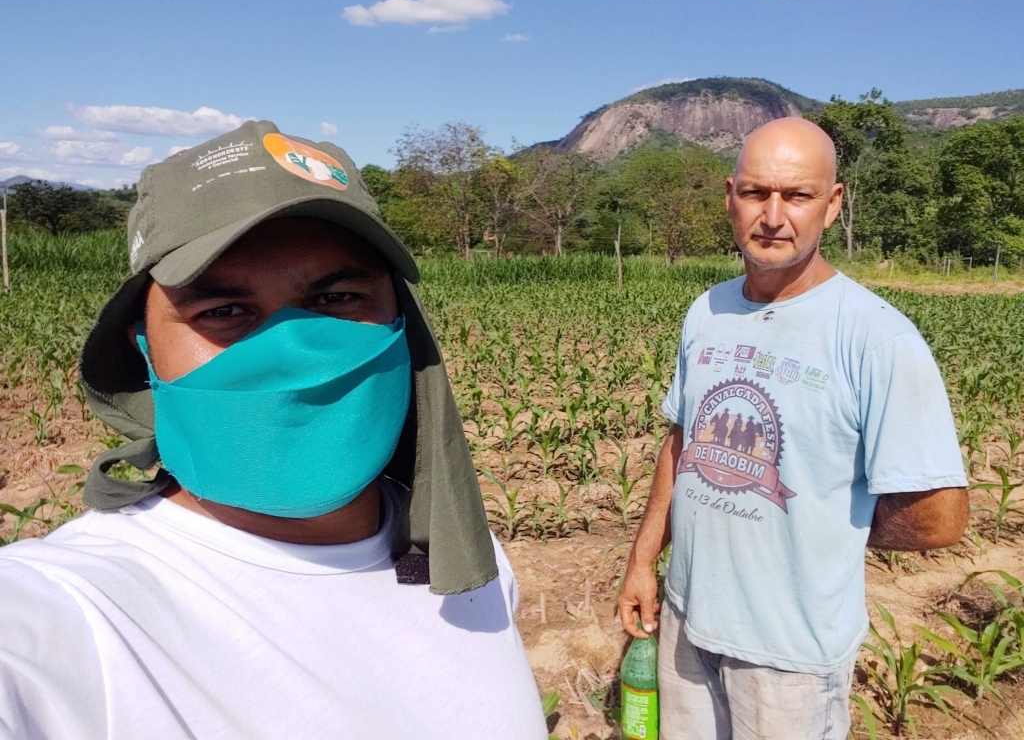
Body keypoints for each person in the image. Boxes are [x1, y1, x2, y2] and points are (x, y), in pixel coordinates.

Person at [0, 121, 548, 739]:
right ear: (147, 354)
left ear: (402, 323)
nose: (291, 351)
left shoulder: (469, 564)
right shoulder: (67, 619)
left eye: (337, 298)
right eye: (225, 311)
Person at [618, 117, 969, 740]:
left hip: (790, 658)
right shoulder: (707, 310)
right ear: (730, 197)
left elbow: (941, 516)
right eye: (756, 193)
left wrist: (829, 531)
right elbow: (683, 443)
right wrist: (644, 561)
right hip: (685, 622)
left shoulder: (877, 337)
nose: (773, 216)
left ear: (832, 205)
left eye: (798, 196)